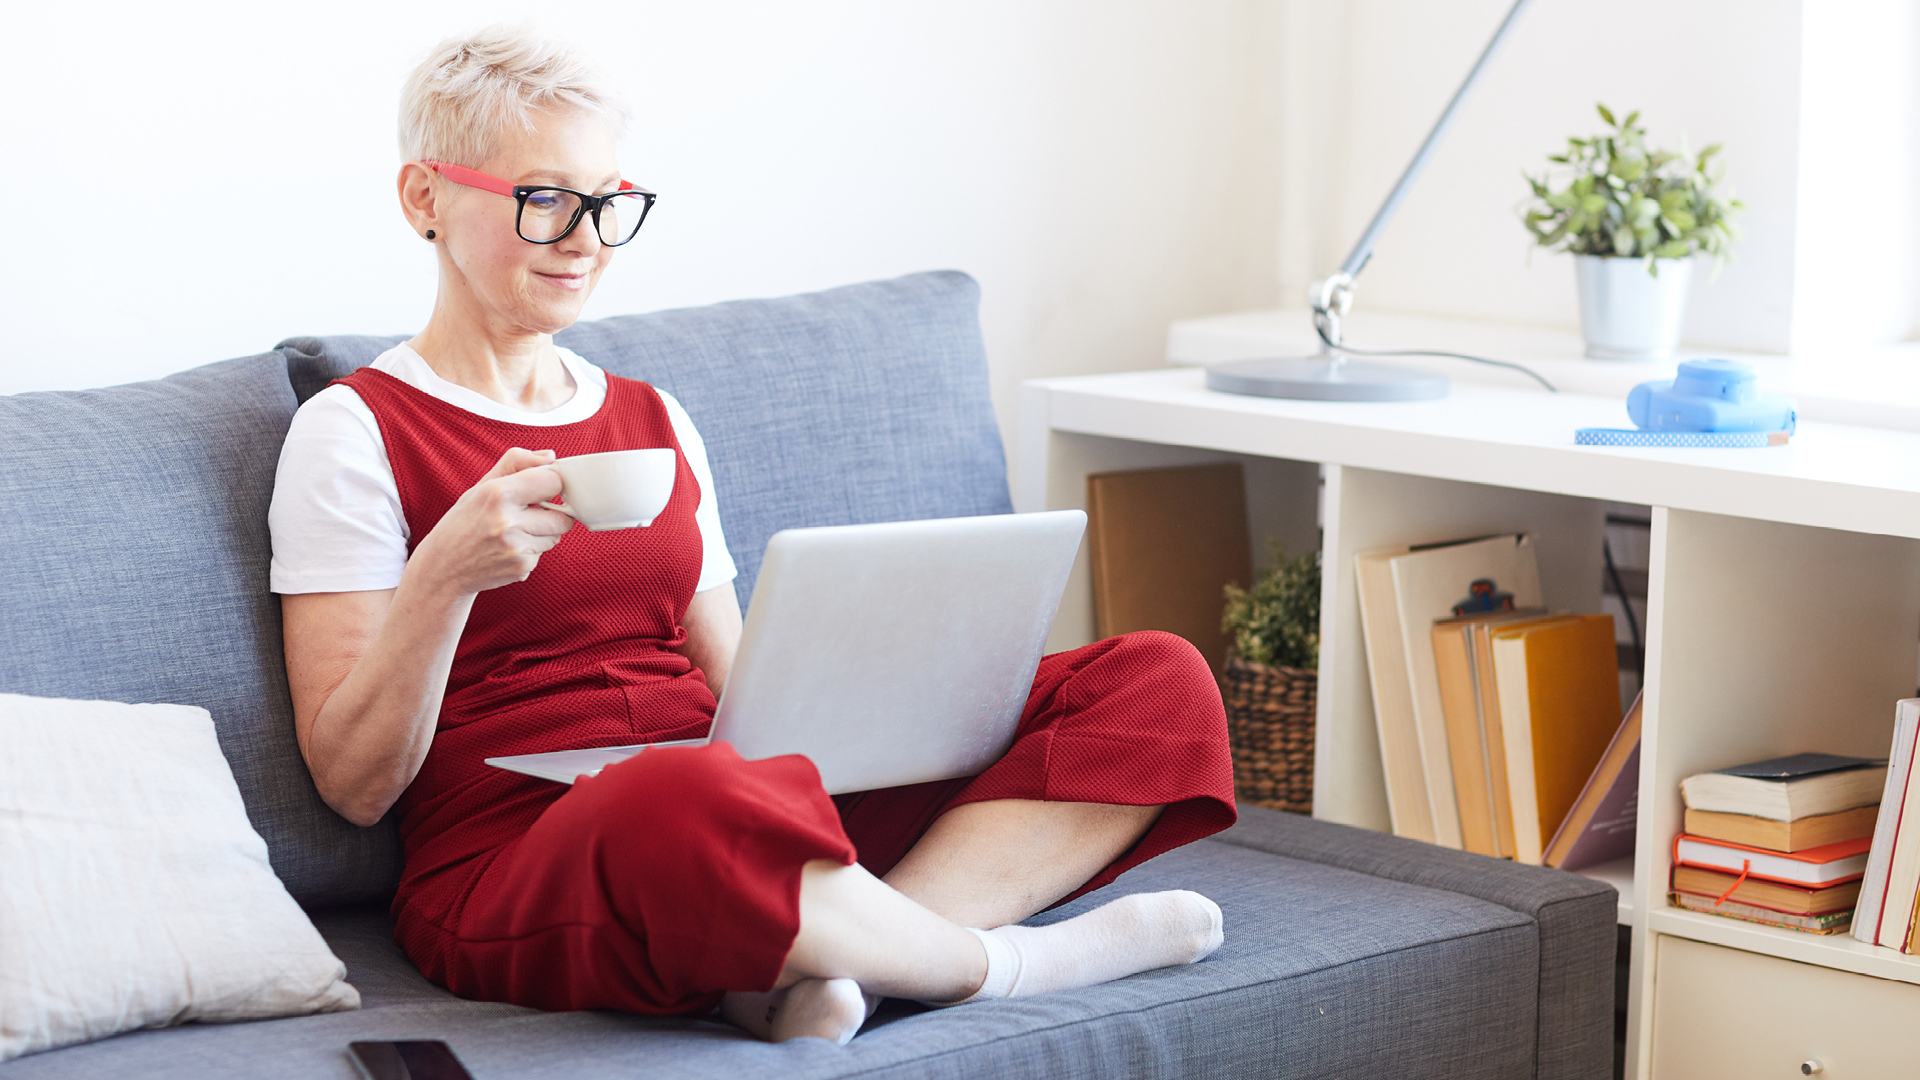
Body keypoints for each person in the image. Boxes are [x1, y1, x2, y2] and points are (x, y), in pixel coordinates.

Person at [269, 26, 1238, 1045]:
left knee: (1156, 682)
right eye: (545, 198)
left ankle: (837, 966)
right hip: (523, 855)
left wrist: (883, 714)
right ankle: (999, 966)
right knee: (677, 795)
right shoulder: (355, 430)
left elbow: (740, 695)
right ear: (424, 197)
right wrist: (444, 578)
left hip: (731, 798)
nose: (587, 239)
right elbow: (354, 787)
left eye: (606, 202)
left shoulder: (655, 418)